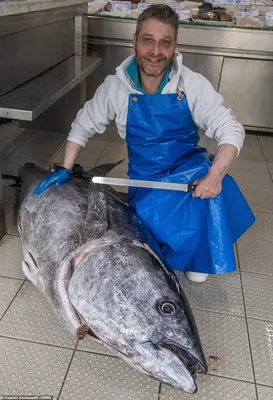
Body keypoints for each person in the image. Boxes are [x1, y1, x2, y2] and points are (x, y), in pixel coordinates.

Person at [34, 4, 255, 283]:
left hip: (189, 172)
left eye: (165, 43)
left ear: (175, 46)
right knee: (149, 240)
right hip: (146, 180)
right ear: (135, 42)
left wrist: (214, 176)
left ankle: (200, 254)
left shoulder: (192, 84)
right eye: (148, 40)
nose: (155, 51)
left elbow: (230, 129)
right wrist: (65, 168)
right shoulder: (115, 87)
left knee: (211, 203)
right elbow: (82, 126)